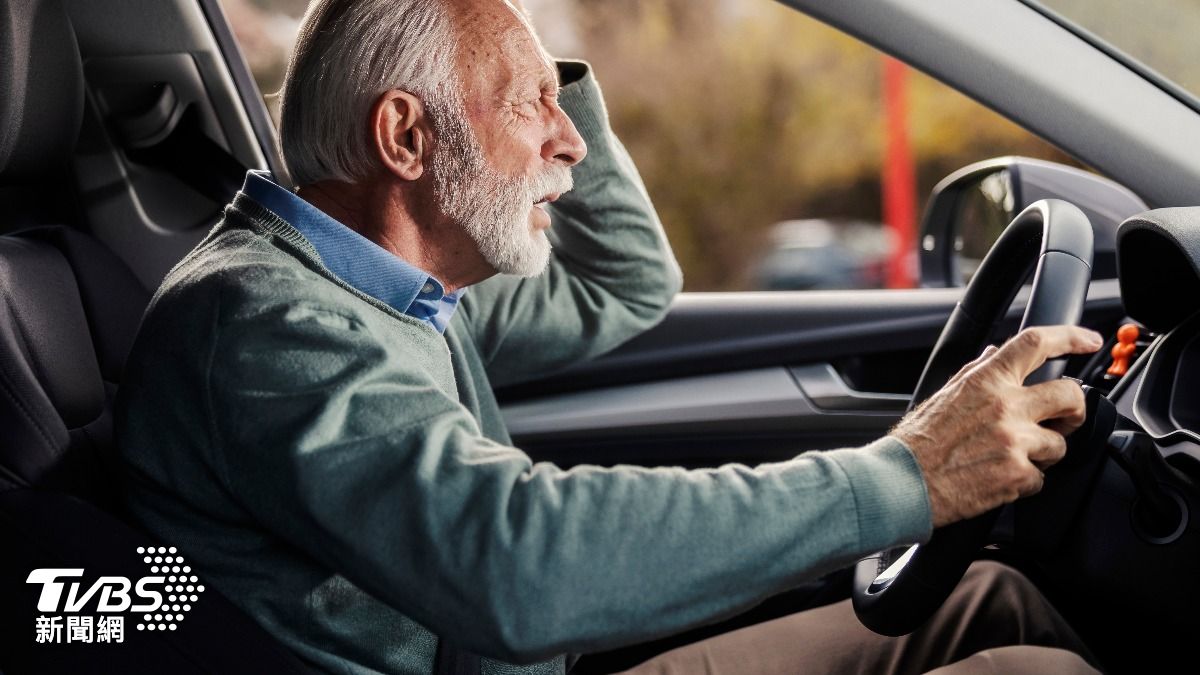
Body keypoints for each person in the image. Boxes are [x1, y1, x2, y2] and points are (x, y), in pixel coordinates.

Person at [114, 0, 1102, 673]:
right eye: (532, 107)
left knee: (988, 600)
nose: (572, 141)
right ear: (407, 139)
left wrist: (533, 60)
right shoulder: (269, 325)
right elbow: (514, 564)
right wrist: (905, 475)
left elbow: (627, 284)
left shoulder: (397, 291)